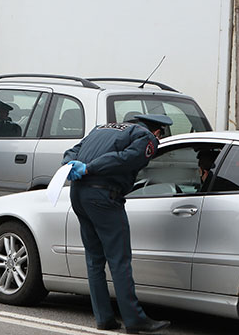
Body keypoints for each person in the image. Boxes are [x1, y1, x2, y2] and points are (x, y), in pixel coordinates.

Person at [62, 114, 173, 333]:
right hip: (103, 197)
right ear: (158, 131)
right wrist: (90, 168)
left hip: (78, 195)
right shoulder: (146, 136)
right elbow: (126, 159)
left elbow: (71, 152)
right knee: (119, 260)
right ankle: (134, 320)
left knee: (94, 259)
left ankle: (104, 318)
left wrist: (72, 165)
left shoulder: (100, 128)